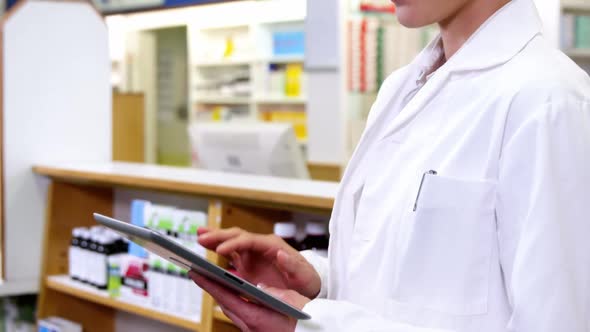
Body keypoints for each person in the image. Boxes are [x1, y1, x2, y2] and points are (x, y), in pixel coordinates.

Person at [190, 0, 590, 330]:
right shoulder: (400, 89)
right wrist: (317, 281)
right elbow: (414, 286)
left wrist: (314, 325)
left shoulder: (548, 101)